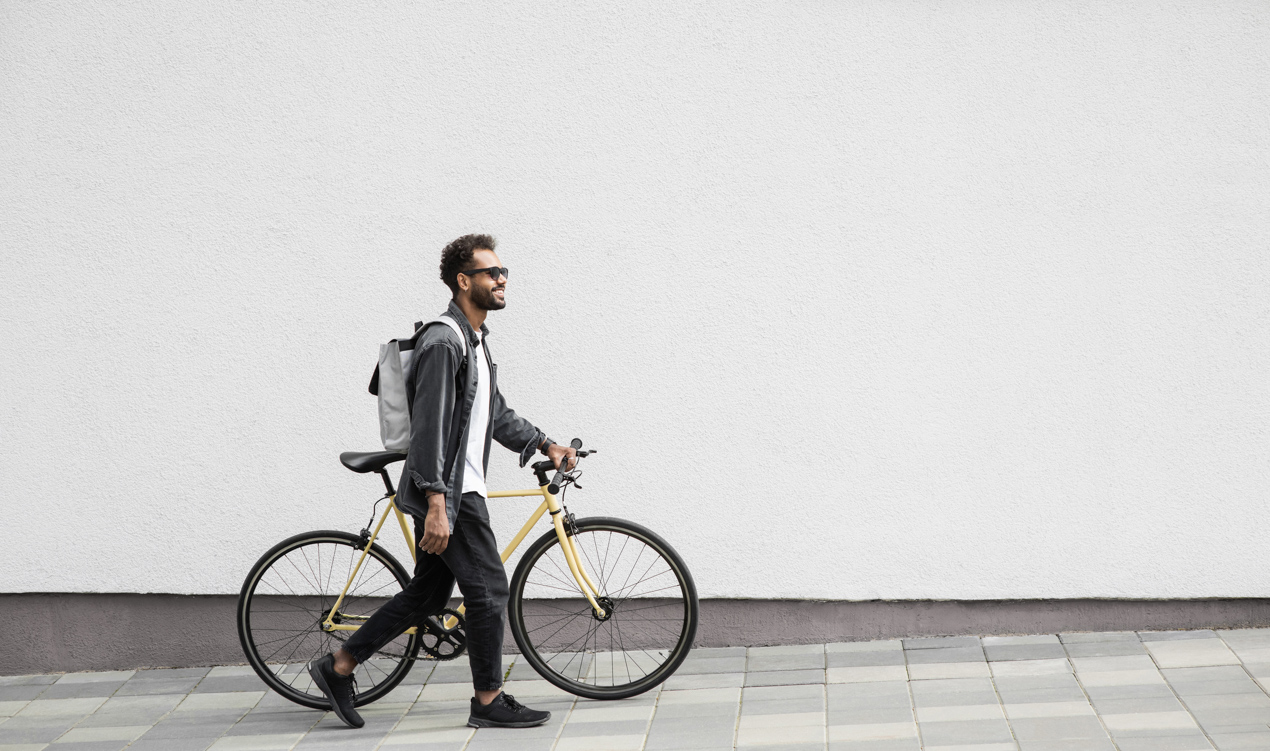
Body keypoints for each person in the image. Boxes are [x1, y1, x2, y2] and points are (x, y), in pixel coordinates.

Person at [308, 234, 577, 729]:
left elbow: (493, 413)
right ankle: (487, 701)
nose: (501, 281)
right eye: (490, 273)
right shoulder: (443, 341)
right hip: (452, 492)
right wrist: (437, 501)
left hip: (456, 488)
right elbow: (430, 427)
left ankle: (339, 665)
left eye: (504, 273)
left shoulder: (473, 341)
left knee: (429, 597)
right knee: (489, 590)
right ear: (463, 281)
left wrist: (545, 444)